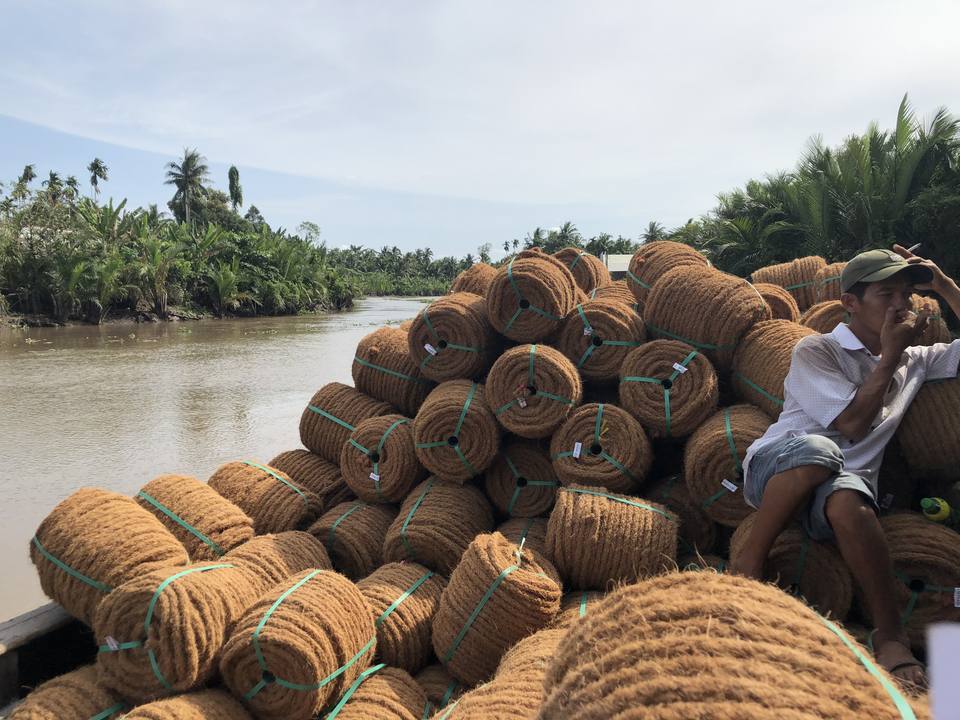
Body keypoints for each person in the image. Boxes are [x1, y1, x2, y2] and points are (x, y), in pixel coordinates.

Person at [729, 244, 960, 689]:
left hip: (838, 487)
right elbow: (852, 424)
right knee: (820, 450)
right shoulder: (818, 350)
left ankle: (891, 638)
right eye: (886, 294)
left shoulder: (916, 359)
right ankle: (748, 562)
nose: (900, 305)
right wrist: (889, 357)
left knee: (850, 500)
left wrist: (945, 286)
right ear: (850, 303)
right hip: (780, 468)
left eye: (906, 295)